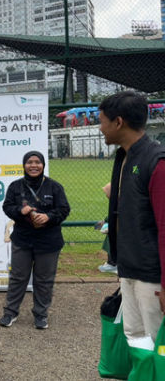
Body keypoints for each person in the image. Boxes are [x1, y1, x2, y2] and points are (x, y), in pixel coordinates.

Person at [99, 91, 165, 341]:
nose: (100, 128)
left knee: (158, 342)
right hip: (128, 268)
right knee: (135, 338)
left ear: (118, 122)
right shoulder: (124, 157)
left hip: (152, 277)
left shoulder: (156, 161)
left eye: (102, 121)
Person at [0, 151, 70, 330]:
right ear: (24, 165)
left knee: (44, 279)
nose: (33, 165)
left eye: (37, 162)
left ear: (43, 165)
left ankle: (41, 314)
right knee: (18, 277)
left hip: (48, 241)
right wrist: (19, 212)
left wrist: (48, 217)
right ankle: (10, 312)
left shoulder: (54, 187)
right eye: (29, 162)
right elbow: (7, 207)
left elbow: (63, 209)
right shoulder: (15, 186)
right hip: (23, 239)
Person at [97, 182, 117, 274]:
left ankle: (113, 263)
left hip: (118, 231)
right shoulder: (115, 203)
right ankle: (111, 262)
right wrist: (105, 222)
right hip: (114, 229)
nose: (106, 196)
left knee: (111, 242)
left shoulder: (118, 204)